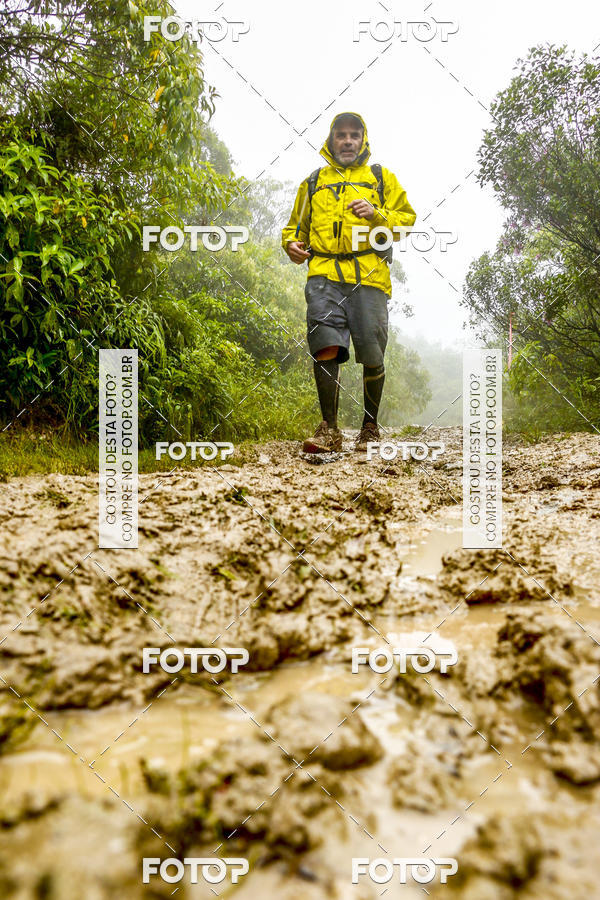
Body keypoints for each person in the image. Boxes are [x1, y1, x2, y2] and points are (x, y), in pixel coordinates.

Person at [282, 112, 417, 453]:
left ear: (363, 140)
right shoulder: (313, 182)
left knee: (372, 354)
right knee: (325, 344)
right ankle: (329, 429)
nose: (347, 141)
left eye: (353, 135)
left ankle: (370, 427)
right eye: (340, 135)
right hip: (323, 276)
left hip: (369, 276)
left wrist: (377, 214)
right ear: (330, 140)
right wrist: (292, 246)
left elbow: (406, 221)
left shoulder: (380, 178)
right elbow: (294, 229)